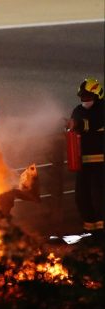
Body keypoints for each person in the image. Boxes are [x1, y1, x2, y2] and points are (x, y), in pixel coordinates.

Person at [67, 78, 104, 242]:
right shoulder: (78, 110)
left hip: (101, 163)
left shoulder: (102, 110)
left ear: (97, 96)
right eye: (82, 97)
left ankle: (102, 235)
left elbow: (92, 123)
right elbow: (74, 127)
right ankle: (90, 232)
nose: (84, 100)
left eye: (88, 97)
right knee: (82, 197)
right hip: (83, 163)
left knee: (100, 198)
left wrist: (77, 124)